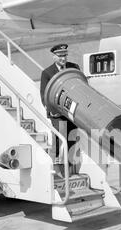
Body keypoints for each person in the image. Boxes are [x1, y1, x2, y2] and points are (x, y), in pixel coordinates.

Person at [40, 44, 80, 175]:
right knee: (57, 141)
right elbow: (44, 96)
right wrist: (52, 110)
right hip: (57, 114)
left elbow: (82, 88)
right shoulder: (47, 73)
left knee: (72, 140)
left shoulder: (74, 68)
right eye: (60, 56)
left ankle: (70, 169)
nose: (63, 58)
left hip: (71, 114)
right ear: (54, 56)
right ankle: (56, 169)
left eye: (65, 55)